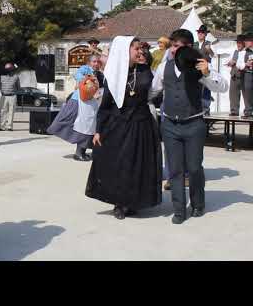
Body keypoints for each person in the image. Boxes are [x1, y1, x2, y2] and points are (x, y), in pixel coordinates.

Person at [149, 29, 228, 224]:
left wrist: (208, 73)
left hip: (194, 124)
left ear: (189, 48)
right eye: (173, 46)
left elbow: (222, 87)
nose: (175, 50)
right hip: (169, 125)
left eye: (179, 47)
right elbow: (152, 91)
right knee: (174, 170)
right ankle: (178, 210)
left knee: (193, 168)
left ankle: (198, 203)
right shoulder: (163, 68)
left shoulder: (199, 67)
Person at [85, 36, 162, 220]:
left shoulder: (145, 71)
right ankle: (119, 202)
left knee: (139, 165)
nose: (140, 52)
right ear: (124, 51)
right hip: (119, 125)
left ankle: (134, 200)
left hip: (142, 124)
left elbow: (154, 95)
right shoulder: (113, 75)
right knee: (120, 164)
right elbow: (105, 105)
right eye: (135, 49)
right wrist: (98, 130)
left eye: (140, 49)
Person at [47, 55, 103, 161]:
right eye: (94, 61)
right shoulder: (85, 69)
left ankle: (82, 152)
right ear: (89, 62)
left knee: (87, 128)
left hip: (89, 104)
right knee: (82, 127)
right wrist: (88, 80)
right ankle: (79, 153)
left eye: (97, 62)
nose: (96, 64)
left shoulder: (98, 73)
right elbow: (78, 75)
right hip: (79, 102)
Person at [194, 25, 215, 116]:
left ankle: (206, 108)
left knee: (206, 88)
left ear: (205, 34)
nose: (200, 34)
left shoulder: (208, 43)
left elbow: (213, 55)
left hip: (205, 68)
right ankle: (197, 108)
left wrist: (209, 50)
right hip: (195, 69)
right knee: (196, 88)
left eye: (202, 33)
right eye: (199, 32)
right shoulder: (194, 44)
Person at [226, 35, 247, 116]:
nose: (238, 44)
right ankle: (234, 111)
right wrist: (230, 63)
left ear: (244, 43)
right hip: (234, 75)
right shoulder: (235, 51)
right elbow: (230, 60)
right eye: (237, 43)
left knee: (247, 96)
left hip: (244, 75)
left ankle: (248, 112)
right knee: (233, 94)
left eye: (240, 43)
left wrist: (235, 63)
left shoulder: (247, 52)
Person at [0, 62, 21, 131]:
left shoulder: (16, 77)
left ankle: (9, 126)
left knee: (11, 111)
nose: (9, 70)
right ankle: (2, 126)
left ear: (12, 69)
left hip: (12, 96)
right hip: (3, 96)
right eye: (7, 69)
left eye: (10, 68)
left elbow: (18, 87)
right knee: (2, 111)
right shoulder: (1, 77)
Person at [242, 32, 253, 119]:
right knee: (247, 93)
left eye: (247, 41)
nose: (245, 42)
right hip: (248, 74)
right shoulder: (244, 52)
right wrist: (246, 64)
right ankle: (248, 111)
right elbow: (239, 63)